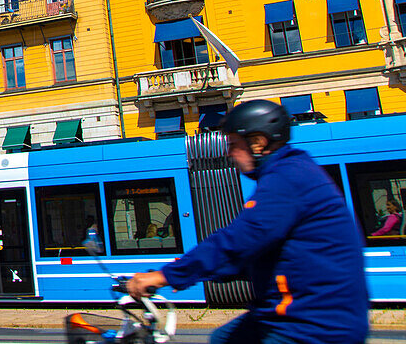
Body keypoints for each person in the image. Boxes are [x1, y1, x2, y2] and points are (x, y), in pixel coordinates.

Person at [127, 99, 369, 344]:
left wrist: (166, 276)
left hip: (312, 323)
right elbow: (252, 255)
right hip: (301, 312)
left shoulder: (288, 178)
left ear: (258, 142)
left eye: (233, 144)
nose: (229, 153)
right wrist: (184, 274)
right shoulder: (292, 171)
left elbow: (239, 240)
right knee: (223, 338)